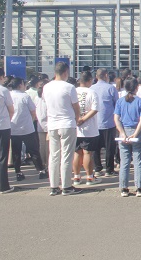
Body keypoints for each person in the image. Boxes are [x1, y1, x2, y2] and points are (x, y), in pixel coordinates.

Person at [43, 62, 81, 196]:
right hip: (67, 123)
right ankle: (66, 186)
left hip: (52, 124)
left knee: (53, 156)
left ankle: (53, 186)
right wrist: (77, 119)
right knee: (66, 156)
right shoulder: (69, 87)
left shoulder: (46, 87)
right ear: (65, 72)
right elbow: (76, 107)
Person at [8, 77, 47, 182]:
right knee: (34, 150)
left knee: (16, 151)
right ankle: (41, 170)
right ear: (20, 85)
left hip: (13, 128)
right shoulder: (24, 96)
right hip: (27, 128)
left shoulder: (9, 95)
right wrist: (31, 120)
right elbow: (33, 111)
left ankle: (18, 172)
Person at [114, 78, 141, 197]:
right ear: (137, 87)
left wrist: (122, 133)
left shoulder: (120, 102)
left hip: (123, 131)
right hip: (137, 132)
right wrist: (136, 133)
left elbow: (116, 119)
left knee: (124, 162)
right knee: (138, 161)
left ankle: (124, 188)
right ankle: (139, 188)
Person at [73, 71, 101, 186]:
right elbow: (94, 109)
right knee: (87, 153)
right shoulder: (92, 92)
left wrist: (77, 118)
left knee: (77, 152)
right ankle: (90, 177)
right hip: (89, 128)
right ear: (90, 80)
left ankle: (76, 177)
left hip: (75, 127)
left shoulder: (74, 91)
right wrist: (83, 119)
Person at [90, 68, 119, 177]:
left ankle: (98, 168)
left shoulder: (91, 88)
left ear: (96, 77)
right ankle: (109, 169)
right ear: (106, 75)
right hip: (108, 122)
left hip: (94, 122)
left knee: (95, 148)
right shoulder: (111, 88)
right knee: (110, 147)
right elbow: (117, 104)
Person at [0, 68, 15, 193]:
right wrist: (8, 120)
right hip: (2, 126)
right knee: (2, 156)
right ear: (0, 77)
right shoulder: (3, 90)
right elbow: (11, 110)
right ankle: (3, 186)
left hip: (3, 125)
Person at [34, 83, 49, 169]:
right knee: (48, 145)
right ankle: (48, 162)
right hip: (49, 124)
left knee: (42, 145)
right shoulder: (47, 99)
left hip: (40, 124)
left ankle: (42, 162)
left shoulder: (36, 99)